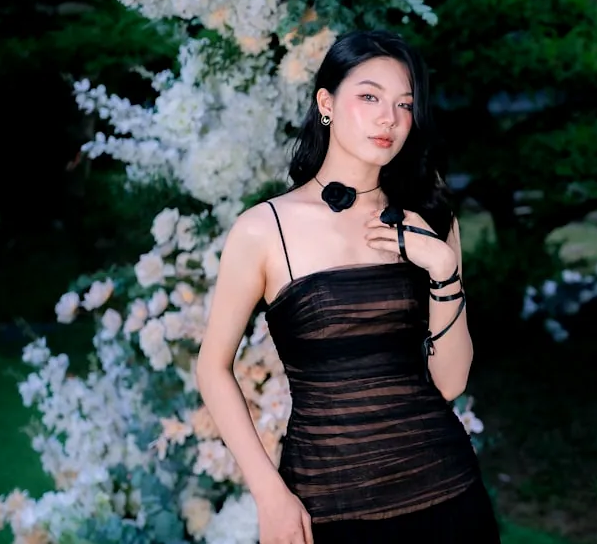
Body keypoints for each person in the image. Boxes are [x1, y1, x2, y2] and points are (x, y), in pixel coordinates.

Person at [196, 29, 501, 543]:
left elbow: (449, 384)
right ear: (326, 103)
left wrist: (443, 269)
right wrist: (269, 494)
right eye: (369, 97)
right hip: (328, 508)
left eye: (405, 104)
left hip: (446, 495)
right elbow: (212, 366)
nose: (389, 118)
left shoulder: (429, 219)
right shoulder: (263, 229)